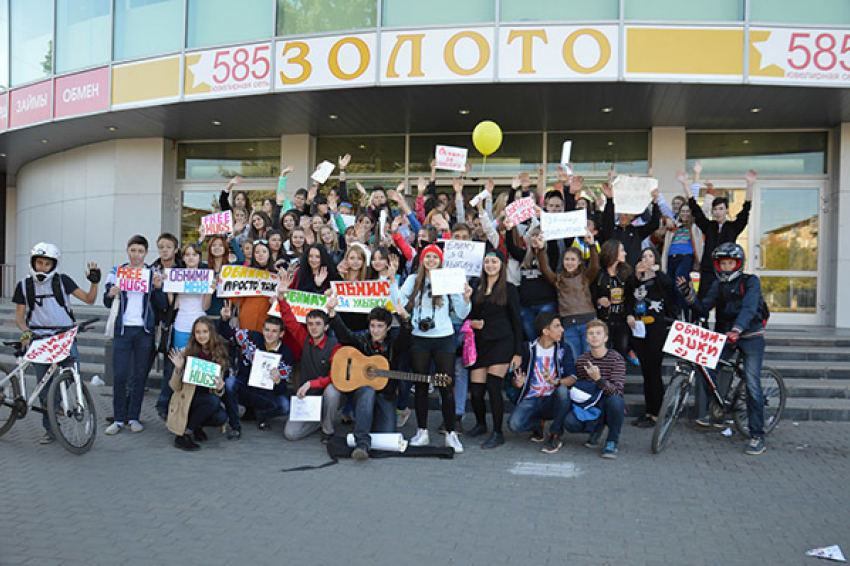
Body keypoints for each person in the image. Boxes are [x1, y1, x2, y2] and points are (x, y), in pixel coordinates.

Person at [678, 243, 769, 455]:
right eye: (723, 263)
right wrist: (689, 295)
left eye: (731, 263)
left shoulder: (751, 282)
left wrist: (738, 328)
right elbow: (702, 307)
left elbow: (749, 307)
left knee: (752, 384)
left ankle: (757, 435)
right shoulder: (718, 285)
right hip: (727, 336)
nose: (727, 267)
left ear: (739, 264)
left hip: (750, 335)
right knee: (707, 368)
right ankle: (717, 409)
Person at [13, 242, 101, 444]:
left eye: (47, 264)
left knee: (72, 374)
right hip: (39, 339)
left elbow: (89, 299)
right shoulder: (24, 285)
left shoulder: (63, 281)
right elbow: (19, 316)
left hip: (64, 336)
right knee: (43, 387)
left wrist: (94, 282)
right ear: (33, 263)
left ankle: (57, 403)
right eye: (39, 263)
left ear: (53, 265)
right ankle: (50, 428)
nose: (42, 267)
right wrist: (26, 333)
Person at [398, 244, 472, 453]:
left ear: (440, 261)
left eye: (435, 257)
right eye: (427, 257)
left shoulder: (448, 279)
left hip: (443, 338)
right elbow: (399, 301)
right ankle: (422, 431)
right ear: (422, 260)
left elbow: (462, 312)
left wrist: (466, 298)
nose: (431, 260)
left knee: (445, 386)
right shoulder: (413, 280)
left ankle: (451, 433)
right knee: (421, 385)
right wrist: (403, 313)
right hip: (420, 337)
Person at [326, 298, 413, 459]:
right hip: (365, 393)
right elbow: (345, 336)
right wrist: (333, 314)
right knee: (368, 390)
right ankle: (362, 444)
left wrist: (404, 318)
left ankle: (365, 423)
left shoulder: (394, 343)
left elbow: (406, 339)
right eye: (372, 326)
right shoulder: (363, 340)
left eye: (380, 327)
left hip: (386, 395)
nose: (375, 330)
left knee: (387, 434)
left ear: (387, 327)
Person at [103, 235, 167, 435]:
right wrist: (111, 293)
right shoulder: (116, 272)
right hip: (123, 330)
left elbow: (163, 304)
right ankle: (118, 418)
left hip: (144, 331)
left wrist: (158, 289)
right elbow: (107, 301)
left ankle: (134, 417)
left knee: (139, 377)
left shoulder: (152, 273)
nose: (136, 254)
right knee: (120, 375)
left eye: (140, 251)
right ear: (127, 251)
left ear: (146, 253)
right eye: (133, 250)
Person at [466, 249, 523, 449]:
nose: (490, 265)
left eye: (494, 262)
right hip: (481, 343)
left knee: (493, 386)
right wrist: (471, 318)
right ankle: (481, 424)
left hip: (502, 341)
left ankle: (497, 432)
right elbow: (469, 315)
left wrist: (518, 352)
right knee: (476, 390)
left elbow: (517, 321)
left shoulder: (509, 289)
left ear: (501, 265)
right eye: (487, 262)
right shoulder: (476, 287)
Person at [276, 273, 343, 442]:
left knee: (333, 391)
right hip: (308, 397)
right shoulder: (304, 338)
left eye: (318, 324)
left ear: (326, 327)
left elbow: (336, 377)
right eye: (310, 324)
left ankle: (328, 430)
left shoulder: (335, 346)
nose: (313, 328)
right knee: (291, 434)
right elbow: (289, 320)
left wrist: (311, 383)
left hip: (327, 394)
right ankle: (318, 420)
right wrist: (281, 297)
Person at [218, 300, 294, 435]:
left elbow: (282, 388)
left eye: (274, 331)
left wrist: (278, 381)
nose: (269, 334)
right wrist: (224, 320)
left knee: (284, 406)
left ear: (281, 334)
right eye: (267, 330)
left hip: (265, 394)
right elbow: (227, 333)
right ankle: (235, 426)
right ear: (263, 330)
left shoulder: (286, 354)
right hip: (245, 387)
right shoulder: (250, 337)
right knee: (229, 383)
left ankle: (261, 414)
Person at [506, 312, 576, 454]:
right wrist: (517, 382)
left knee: (563, 391)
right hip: (532, 398)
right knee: (514, 425)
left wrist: (555, 381)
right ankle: (538, 425)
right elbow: (514, 379)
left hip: (552, 398)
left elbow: (573, 378)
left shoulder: (564, 349)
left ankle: (555, 435)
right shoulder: (528, 349)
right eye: (557, 326)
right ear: (545, 331)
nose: (562, 329)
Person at [681, 170, 755, 300]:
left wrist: (750, 185)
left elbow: (745, 211)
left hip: (727, 272)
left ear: (726, 210)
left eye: (721, 209)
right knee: (703, 301)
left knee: (726, 303)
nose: (718, 212)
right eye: (715, 209)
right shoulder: (709, 226)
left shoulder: (733, 227)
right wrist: (685, 185)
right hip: (709, 270)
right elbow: (696, 211)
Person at [626, 248, 673, 428]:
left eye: (650, 256)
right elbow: (629, 299)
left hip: (656, 328)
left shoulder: (660, 278)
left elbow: (668, 286)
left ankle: (657, 413)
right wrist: (629, 314)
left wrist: (654, 270)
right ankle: (648, 412)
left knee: (654, 370)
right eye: (643, 256)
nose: (646, 259)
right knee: (646, 371)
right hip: (639, 329)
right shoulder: (635, 280)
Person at [566, 320, 627, 459]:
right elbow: (580, 385)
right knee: (570, 423)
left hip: (609, 401)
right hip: (591, 402)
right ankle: (596, 429)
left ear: (605, 337)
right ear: (586, 338)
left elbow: (617, 391)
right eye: (591, 334)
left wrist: (599, 379)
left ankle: (612, 441)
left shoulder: (616, 359)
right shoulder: (582, 360)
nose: (594, 336)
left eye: (598, 333)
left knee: (616, 402)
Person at [166, 318, 229, 451]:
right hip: (187, 399)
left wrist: (220, 387)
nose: (201, 335)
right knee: (213, 401)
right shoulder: (186, 352)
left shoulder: (218, 354)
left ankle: (196, 426)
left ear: (211, 333)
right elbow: (175, 387)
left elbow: (218, 390)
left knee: (221, 416)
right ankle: (184, 434)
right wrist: (178, 369)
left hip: (205, 399)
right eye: (198, 332)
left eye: (205, 331)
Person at [538, 233, 599, 361]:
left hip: (587, 322)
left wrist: (592, 246)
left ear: (579, 262)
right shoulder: (558, 279)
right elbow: (545, 269)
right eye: (566, 259)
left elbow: (594, 266)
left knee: (589, 359)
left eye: (573, 260)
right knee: (575, 359)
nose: (569, 263)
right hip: (568, 324)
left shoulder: (585, 277)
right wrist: (541, 249)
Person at [599, 183, 660, 267]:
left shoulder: (637, 232)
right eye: (622, 213)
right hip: (613, 270)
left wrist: (655, 203)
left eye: (627, 214)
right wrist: (609, 199)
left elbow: (654, 224)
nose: (624, 216)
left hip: (632, 272)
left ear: (633, 217)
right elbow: (607, 220)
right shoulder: (611, 230)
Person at [591, 240, 633, 361]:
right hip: (604, 323)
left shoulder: (626, 273)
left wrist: (629, 314)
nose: (625, 253)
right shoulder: (599, 275)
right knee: (603, 358)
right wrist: (599, 301)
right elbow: (591, 294)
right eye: (622, 250)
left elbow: (631, 297)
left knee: (620, 358)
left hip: (622, 322)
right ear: (613, 253)